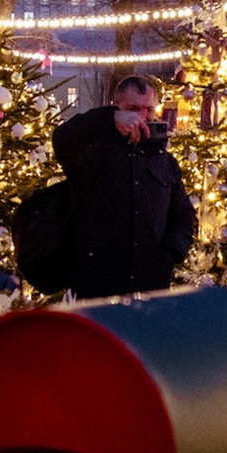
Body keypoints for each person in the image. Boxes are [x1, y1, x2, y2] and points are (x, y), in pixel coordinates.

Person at [50, 69, 197, 300]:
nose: (142, 116)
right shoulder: (91, 150)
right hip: (97, 289)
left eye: (148, 109)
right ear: (116, 106)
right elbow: (62, 137)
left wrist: (168, 254)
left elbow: (184, 215)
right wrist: (109, 119)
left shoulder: (164, 161)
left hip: (151, 288)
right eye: (132, 109)